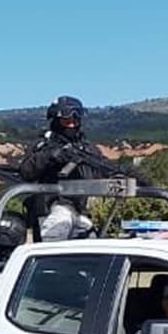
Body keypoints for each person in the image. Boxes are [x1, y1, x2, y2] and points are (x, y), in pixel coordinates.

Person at [16, 96, 110, 241]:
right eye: (67, 121)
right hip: (51, 211)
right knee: (53, 249)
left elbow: (104, 168)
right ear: (56, 121)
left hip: (81, 212)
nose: (71, 125)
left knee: (91, 247)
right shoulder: (43, 146)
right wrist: (51, 156)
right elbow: (26, 171)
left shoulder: (87, 149)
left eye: (75, 120)